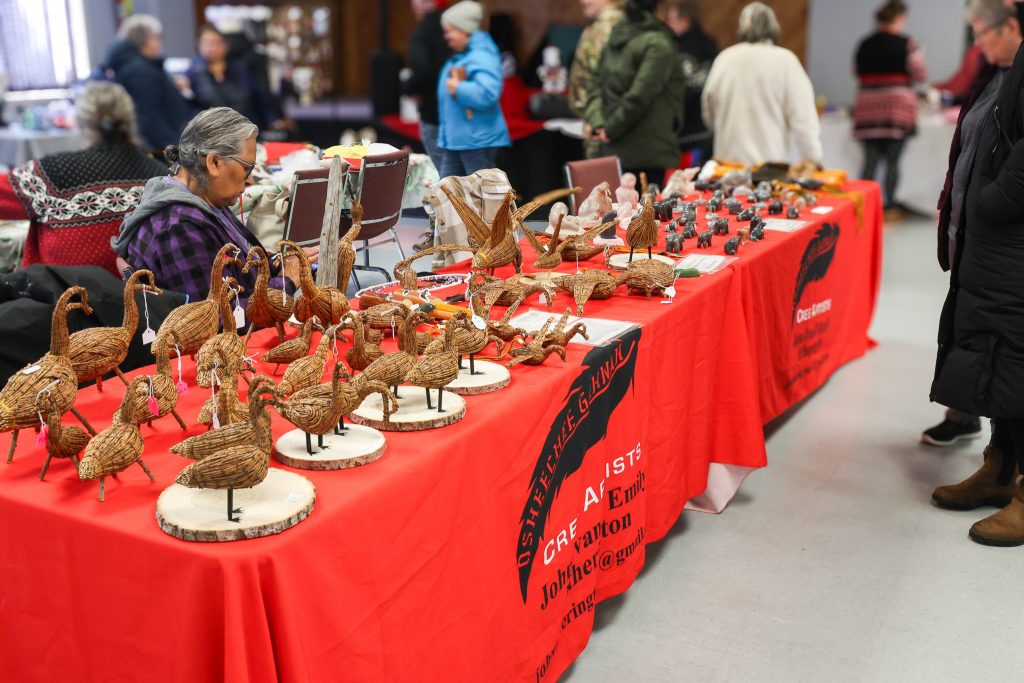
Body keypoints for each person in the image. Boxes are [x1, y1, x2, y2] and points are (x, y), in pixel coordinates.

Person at [930, 0, 1024, 546]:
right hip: (986, 250)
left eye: (982, 32)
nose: (978, 44)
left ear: (1012, 23)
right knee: (995, 362)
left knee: (1017, 362)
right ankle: (1000, 469)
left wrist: (990, 204)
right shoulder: (1000, 73)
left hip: (1011, 245)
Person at [113, 107, 315, 302]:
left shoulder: (202, 199)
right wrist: (286, 282)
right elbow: (218, 316)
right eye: (247, 168)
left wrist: (282, 262)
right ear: (214, 163)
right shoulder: (180, 225)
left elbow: (243, 265)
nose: (249, 179)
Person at [0, 82, 167, 278]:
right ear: (131, 120)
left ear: (81, 124)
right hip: (144, 295)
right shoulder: (162, 177)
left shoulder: (53, 175)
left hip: (67, 294)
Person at [702, 2, 822, 167]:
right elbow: (803, 117)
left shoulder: (725, 59)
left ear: (742, 27)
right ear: (774, 27)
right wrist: (813, 157)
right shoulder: (786, 61)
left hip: (727, 166)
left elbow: (708, 110)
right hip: (769, 167)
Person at [584, 0, 685, 185]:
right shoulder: (658, 43)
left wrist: (599, 124)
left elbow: (594, 85)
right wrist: (609, 129)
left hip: (610, 149)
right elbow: (639, 97)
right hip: (647, 153)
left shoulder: (615, 36)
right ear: (659, 7)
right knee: (645, 205)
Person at [853, 1, 927, 223]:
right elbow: (920, 73)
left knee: (870, 160)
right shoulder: (907, 43)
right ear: (899, 17)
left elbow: (856, 71)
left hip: (867, 109)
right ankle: (890, 207)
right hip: (896, 110)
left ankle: (863, 207)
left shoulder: (864, 44)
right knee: (893, 161)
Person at [436, 0, 511, 179]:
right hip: (460, 139)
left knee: (480, 192)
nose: (446, 37)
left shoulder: (482, 55)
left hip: (476, 141)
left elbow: (488, 93)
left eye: (450, 31)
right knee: (447, 192)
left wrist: (459, 88)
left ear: (464, 29)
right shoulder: (466, 54)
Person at [100, 14, 191, 151]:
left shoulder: (135, 66)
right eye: (157, 38)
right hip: (158, 150)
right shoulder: (141, 72)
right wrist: (174, 150)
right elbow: (149, 117)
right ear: (146, 40)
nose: (159, 44)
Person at [184, 25, 284, 131]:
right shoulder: (193, 72)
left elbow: (260, 96)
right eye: (207, 43)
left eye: (216, 42)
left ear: (225, 46)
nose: (212, 47)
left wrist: (272, 119)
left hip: (245, 129)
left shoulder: (241, 68)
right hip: (212, 133)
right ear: (199, 46)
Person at [663, 0, 718, 165]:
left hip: (687, 132)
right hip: (707, 129)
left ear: (686, 21)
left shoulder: (680, 50)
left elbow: (683, 93)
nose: (667, 25)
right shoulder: (710, 45)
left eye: (671, 20)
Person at [567, 0, 624, 160]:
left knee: (603, 173)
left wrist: (596, 120)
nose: (583, 1)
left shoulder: (605, 27)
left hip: (602, 124)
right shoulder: (620, 22)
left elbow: (601, 79)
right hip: (606, 121)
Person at [404, 0, 452, 171]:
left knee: (445, 172)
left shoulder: (422, 33)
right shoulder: (456, 28)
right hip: (458, 112)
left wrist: (408, 88)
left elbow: (422, 70)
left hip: (433, 109)